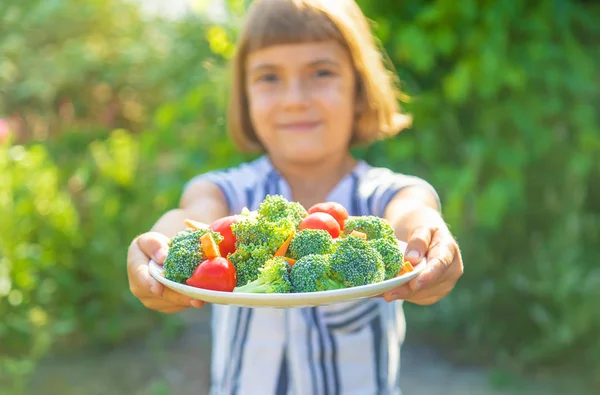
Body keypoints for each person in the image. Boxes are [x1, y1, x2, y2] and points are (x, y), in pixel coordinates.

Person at [127, 0, 464, 393]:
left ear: (359, 89)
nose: (294, 98)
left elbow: (414, 210)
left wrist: (428, 237)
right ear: (246, 97)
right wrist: (158, 250)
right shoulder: (226, 191)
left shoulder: (382, 193)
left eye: (321, 72)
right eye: (269, 77)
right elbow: (191, 215)